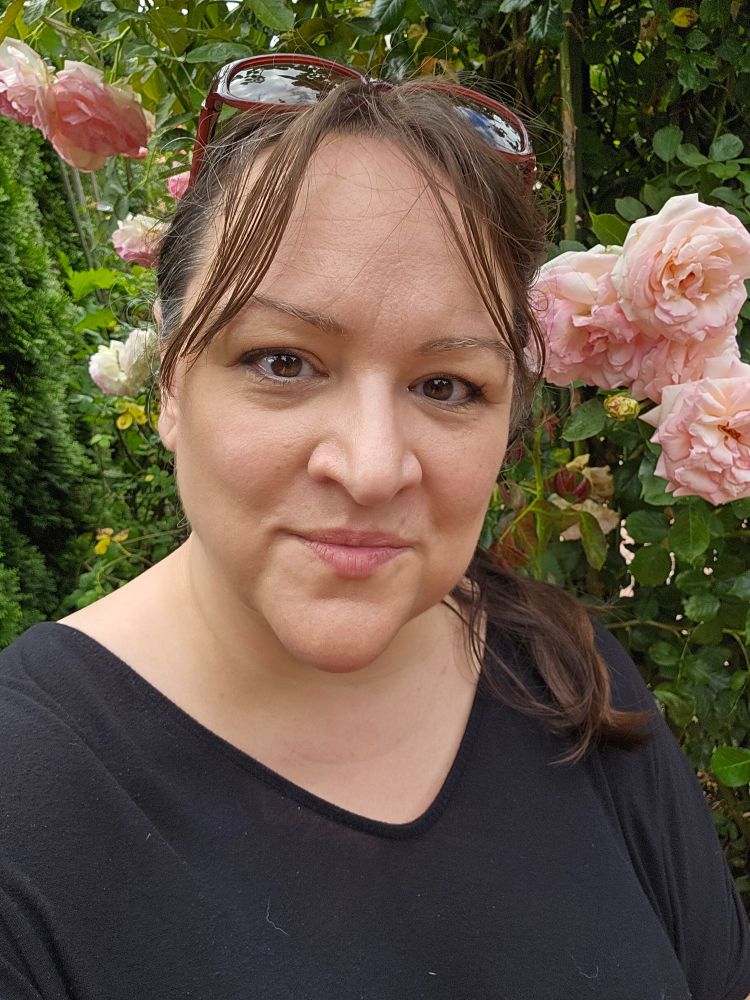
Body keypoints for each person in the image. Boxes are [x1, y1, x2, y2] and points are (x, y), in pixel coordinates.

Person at [0, 54, 748, 1000]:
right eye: (283, 361)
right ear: (170, 384)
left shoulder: (567, 681)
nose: (369, 466)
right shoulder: (26, 806)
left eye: (446, 386)